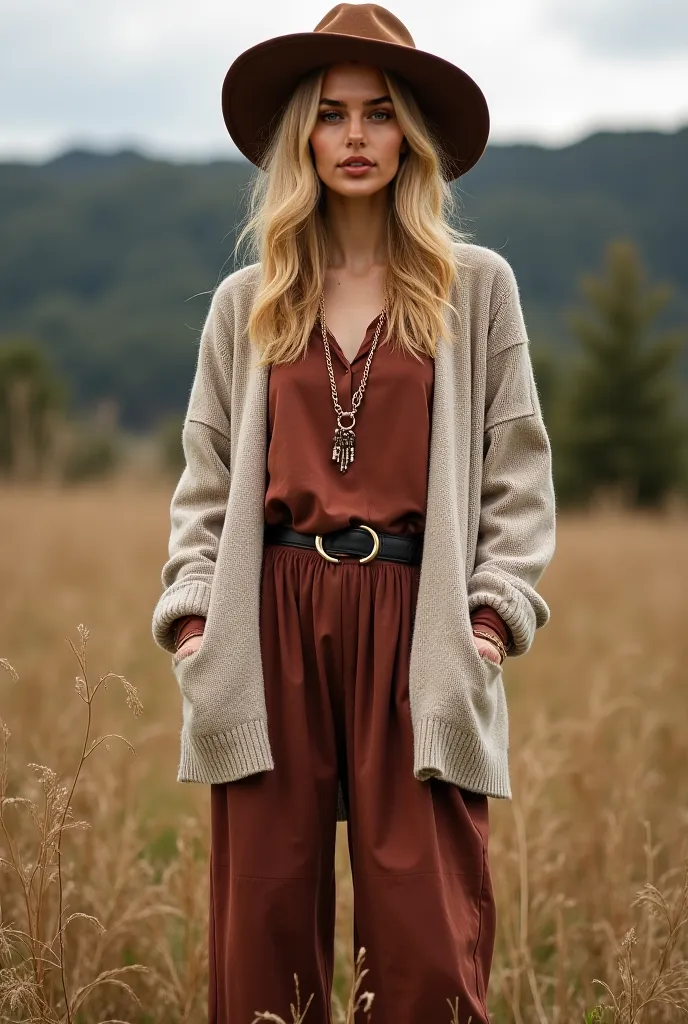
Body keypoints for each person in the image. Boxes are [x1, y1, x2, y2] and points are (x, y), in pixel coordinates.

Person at [151, 4, 556, 1022]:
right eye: (332, 115)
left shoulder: (476, 289)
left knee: (426, 951)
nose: (357, 137)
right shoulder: (247, 300)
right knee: (264, 945)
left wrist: (489, 619)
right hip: (269, 617)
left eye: (380, 114)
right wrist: (198, 619)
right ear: (303, 136)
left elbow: (518, 470)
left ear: (410, 133)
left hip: (416, 624)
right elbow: (202, 478)